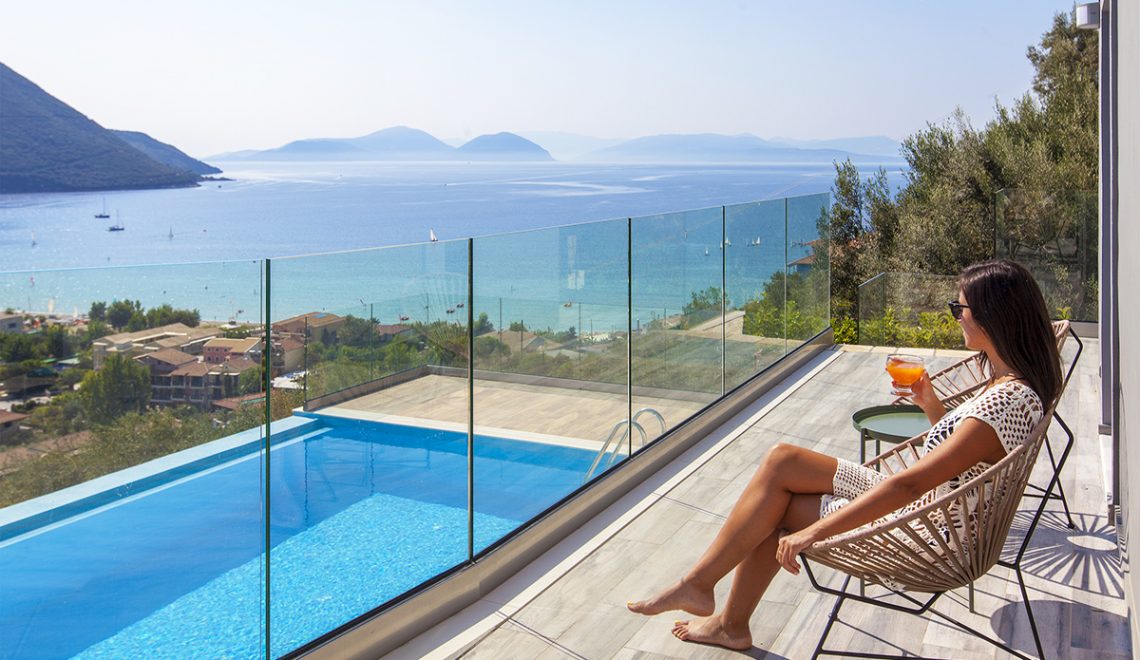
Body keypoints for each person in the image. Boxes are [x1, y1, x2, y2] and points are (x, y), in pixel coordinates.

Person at [626, 259, 1062, 651]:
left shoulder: (1005, 400)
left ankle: (720, 612)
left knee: (777, 510)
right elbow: (966, 455)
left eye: (958, 309)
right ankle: (704, 591)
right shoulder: (1014, 385)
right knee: (782, 460)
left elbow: (909, 484)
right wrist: (931, 404)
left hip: (926, 529)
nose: (954, 318)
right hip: (933, 508)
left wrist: (810, 534)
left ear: (992, 317)